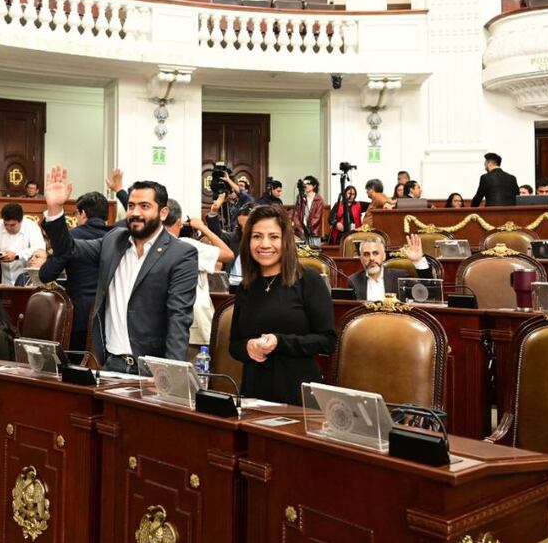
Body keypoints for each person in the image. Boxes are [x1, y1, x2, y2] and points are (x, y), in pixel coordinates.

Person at [40, 165, 198, 372]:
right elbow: (67, 249)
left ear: (163, 212)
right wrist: (54, 210)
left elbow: (179, 317)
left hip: (151, 368)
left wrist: (170, 374)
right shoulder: (114, 240)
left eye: (144, 206)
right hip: (111, 364)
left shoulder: (181, 254)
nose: (135, 213)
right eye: (131, 206)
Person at [228, 205, 336, 405]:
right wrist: (248, 347)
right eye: (257, 236)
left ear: (286, 240)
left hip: (297, 395)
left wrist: (280, 341)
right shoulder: (246, 287)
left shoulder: (309, 281)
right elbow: (234, 345)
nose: (265, 244)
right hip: (253, 395)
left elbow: (327, 341)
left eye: (274, 237)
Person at [39, 191, 112, 351]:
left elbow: (46, 275)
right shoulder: (115, 239)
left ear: (83, 213)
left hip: (79, 319)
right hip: (112, 320)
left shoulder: (71, 238)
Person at [163, 200, 233, 346]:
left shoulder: (147, 246)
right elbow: (228, 254)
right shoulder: (188, 246)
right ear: (178, 221)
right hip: (195, 324)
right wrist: (203, 228)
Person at [0, 202, 46, 285]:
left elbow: (39, 248)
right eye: (6, 224)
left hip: (28, 280)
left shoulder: (31, 226)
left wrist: (17, 256)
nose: (8, 228)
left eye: (12, 225)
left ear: (21, 221)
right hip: (5, 280)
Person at [347, 236, 432, 301]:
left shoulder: (400, 277)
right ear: (361, 259)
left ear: (384, 256)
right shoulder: (354, 281)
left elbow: (428, 294)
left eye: (375, 253)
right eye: (366, 254)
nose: (371, 258)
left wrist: (418, 261)